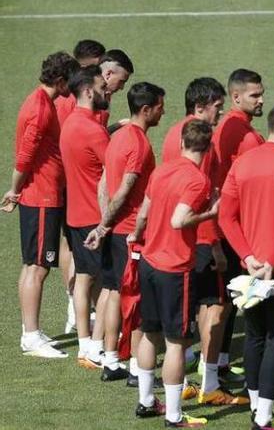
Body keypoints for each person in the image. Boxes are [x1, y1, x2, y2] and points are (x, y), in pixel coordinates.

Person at [218, 103, 274, 430]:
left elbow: (225, 216)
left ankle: (256, 407)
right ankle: (265, 418)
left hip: (249, 268)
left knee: (255, 334)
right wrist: (271, 260)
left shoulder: (242, 164)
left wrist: (247, 256)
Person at [161, 77, 246, 406]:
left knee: (191, 308)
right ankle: (209, 383)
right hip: (201, 237)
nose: (221, 113)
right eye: (217, 107)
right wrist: (214, 246)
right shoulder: (202, 143)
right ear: (199, 108)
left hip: (177, 239)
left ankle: (183, 381)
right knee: (217, 307)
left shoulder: (174, 133)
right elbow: (204, 196)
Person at [132, 119, 217, 428]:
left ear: (182, 143)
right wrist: (212, 211)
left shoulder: (163, 169)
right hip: (174, 270)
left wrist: (137, 235)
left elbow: (144, 212)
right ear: (207, 149)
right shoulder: (198, 181)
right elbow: (180, 221)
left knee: (149, 333)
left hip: (150, 262)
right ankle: (173, 416)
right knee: (177, 343)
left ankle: (145, 402)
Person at [85, 82, 165, 382]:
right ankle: (134, 367)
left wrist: (104, 225)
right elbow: (125, 188)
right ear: (146, 110)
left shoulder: (117, 137)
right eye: (159, 106)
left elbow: (104, 184)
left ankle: (111, 359)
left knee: (114, 292)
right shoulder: (139, 144)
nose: (163, 111)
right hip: (130, 232)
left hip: (115, 230)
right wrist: (106, 225)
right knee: (135, 299)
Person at [3, 51, 79, 358]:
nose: (72, 88)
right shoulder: (40, 109)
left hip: (42, 194)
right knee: (38, 267)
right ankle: (31, 336)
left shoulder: (41, 101)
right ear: (59, 80)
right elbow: (25, 156)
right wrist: (13, 190)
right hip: (42, 197)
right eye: (69, 82)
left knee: (32, 266)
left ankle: (30, 331)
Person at [212, 68, 266, 383]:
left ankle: (219, 363)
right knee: (241, 299)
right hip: (237, 228)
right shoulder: (246, 136)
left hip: (226, 224)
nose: (261, 100)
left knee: (229, 300)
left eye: (261, 94)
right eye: (254, 96)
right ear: (236, 97)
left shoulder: (230, 126)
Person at [59, 65, 110, 369]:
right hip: (95, 216)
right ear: (89, 91)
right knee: (105, 282)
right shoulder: (92, 129)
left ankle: (85, 343)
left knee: (84, 280)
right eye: (102, 87)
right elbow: (114, 169)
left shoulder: (71, 124)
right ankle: (94, 346)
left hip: (76, 213)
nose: (107, 91)